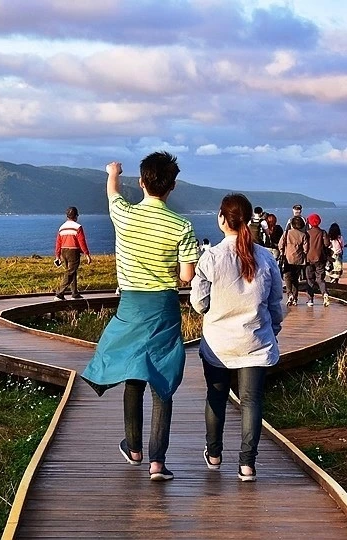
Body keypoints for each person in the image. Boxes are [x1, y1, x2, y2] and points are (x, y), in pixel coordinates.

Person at [81, 152, 198, 482]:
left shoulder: (124, 216)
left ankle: (133, 448)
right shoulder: (182, 226)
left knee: (134, 372)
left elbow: (112, 193)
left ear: (142, 182)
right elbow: (187, 277)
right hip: (163, 306)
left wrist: (113, 172)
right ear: (172, 186)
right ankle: (157, 463)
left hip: (131, 305)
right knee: (162, 378)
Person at [190, 193, 283, 482]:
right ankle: (247, 465)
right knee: (251, 402)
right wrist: (272, 330)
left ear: (221, 219)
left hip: (218, 343)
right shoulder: (266, 257)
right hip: (256, 341)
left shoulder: (211, 257)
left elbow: (199, 303)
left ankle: (214, 454)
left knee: (215, 396)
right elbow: (276, 303)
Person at [53, 206, 92, 300]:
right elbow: (82, 241)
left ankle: (75, 293)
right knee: (70, 272)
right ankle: (59, 294)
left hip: (63, 251)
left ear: (67, 216)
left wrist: (57, 256)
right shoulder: (77, 227)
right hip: (73, 251)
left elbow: (58, 243)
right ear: (76, 216)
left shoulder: (61, 228)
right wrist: (87, 254)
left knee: (72, 272)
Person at [278, 215, 308, 306]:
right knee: (295, 279)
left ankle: (289, 294)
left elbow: (280, 245)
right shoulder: (303, 235)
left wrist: (283, 252)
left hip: (287, 258)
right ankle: (295, 297)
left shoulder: (287, 233)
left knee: (287, 277)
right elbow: (305, 249)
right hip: (298, 260)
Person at [304, 213, 330, 307]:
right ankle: (325, 294)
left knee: (309, 279)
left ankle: (310, 299)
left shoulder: (307, 233)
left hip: (308, 259)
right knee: (320, 279)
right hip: (320, 258)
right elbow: (327, 244)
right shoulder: (323, 232)